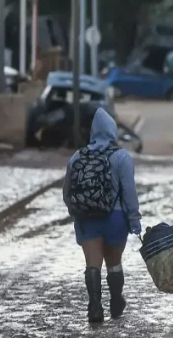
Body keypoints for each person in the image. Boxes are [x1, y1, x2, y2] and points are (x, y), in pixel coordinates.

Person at [63, 107, 142, 323]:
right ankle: (116, 299)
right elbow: (129, 194)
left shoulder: (78, 156)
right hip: (115, 219)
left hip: (87, 219)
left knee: (93, 263)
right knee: (114, 262)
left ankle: (95, 306)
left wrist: (76, 211)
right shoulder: (122, 157)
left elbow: (67, 191)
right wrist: (134, 221)